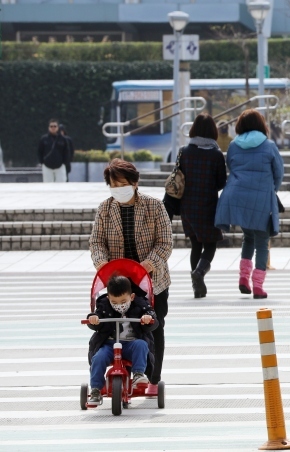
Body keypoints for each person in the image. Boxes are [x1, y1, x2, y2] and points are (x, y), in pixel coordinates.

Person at [89, 159, 173, 386]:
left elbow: (165, 242)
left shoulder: (154, 206)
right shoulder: (105, 209)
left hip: (151, 278)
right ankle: (122, 374)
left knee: (153, 326)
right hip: (118, 281)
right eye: (113, 185)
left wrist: (148, 264)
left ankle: (152, 378)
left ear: (135, 183)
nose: (118, 189)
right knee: (116, 326)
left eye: (123, 184)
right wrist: (102, 264)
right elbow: (96, 242)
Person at [215, 109, 284, 299]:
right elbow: (278, 173)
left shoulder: (234, 145)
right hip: (261, 197)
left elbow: (231, 166)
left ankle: (244, 278)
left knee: (248, 238)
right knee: (262, 241)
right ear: (261, 125)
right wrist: (272, 189)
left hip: (238, 196)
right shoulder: (269, 146)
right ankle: (258, 286)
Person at [86, 275, 158, 404]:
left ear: (132, 297)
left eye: (123, 301)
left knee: (141, 345)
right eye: (114, 302)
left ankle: (138, 374)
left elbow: (151, 315)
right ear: (108, 299)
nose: (119, 305)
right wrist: (93, 318)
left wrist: (148, 318)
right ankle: (96, 389)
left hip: (131, 344)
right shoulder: (104, 305)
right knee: (98, 358)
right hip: (109, 344)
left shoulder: (139, 304)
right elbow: (97, 316)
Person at [179, 114, 227, 299]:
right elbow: (221, 182)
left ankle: (196, 287)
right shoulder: (216, 154)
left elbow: (178, 178)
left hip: (187, 206)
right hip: (208, 205)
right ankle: (199, 273)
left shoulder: (184, 151)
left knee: (195, 244)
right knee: (211, 244)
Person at [37, 119, 71, 183]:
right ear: (48, 127)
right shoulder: (44, 139)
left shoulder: (63, 139)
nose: (53, 128)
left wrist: (64, 163)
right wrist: (42, 162)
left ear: (58, 127)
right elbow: (40, 151)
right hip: (47, 166)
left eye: (55, 126)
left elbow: (66, 152)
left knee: (61, 185)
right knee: (48, 185)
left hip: (60, 166)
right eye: (51, 126)